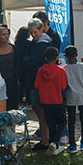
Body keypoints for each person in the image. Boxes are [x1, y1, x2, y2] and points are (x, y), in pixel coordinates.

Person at [20, 18, 53, 150]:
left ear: (41, 30)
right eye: (31, 32)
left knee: (42, 112)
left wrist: (25, 61)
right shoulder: (37, 43)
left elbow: (32, 61)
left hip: (40, 83)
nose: (33, 35)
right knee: (40, 111)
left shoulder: (42, 44)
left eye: (36, 32)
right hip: (36, 82)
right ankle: (46, 139)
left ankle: (46, 140)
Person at [35, 46, 68, 156]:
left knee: (51, 123)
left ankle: (52, 143)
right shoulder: (60, 71)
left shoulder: (40, 70)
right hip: (57, 100)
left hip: (45, 101)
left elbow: (36, 85)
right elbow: (63, 86)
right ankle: (55, 141)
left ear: (45, 58)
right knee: (62, 121)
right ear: (57, 58)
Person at [63, 45, 83, 153]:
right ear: (77, 55)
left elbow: (64, 84)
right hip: (82, 95)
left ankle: (72, 144)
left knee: (71, 120)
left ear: (65, 56)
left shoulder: (64, 68)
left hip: (71, 96)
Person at [0, 24, 20, 110]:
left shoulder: (13, 48)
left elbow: (18, 64)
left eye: (7, 34)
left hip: (12, 80)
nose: (6, 36)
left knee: (12, 104)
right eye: (3, 34)